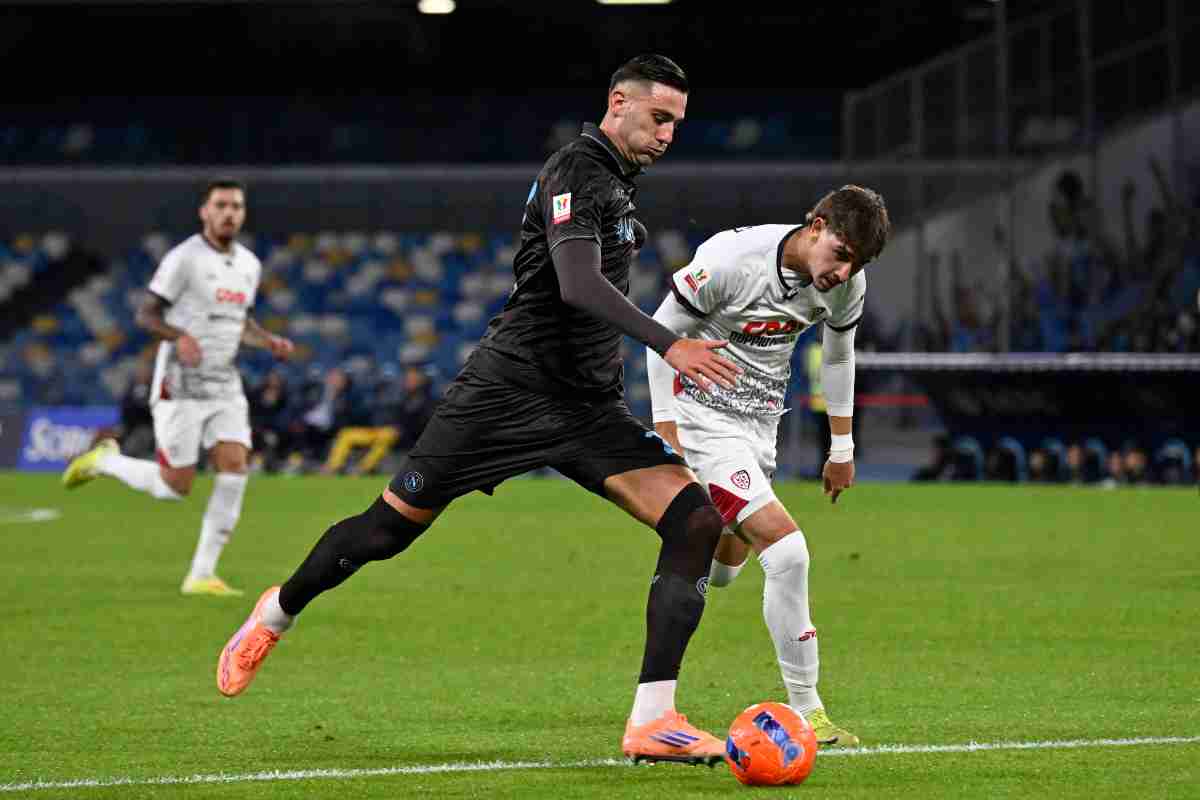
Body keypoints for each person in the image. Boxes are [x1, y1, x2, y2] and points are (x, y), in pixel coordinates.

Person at [216, 55, 744, 766]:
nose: (668, 134)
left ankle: (654, 719)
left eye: (677, 123)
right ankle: (276, 612)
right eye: (659, 118)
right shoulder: (578, 170)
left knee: (696, 520)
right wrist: (669, 345)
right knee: (383, 533)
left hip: (585, 407)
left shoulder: (615, 184)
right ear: (618, 103)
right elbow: (578, 284)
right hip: (506, 394)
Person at [646, 185, 891, 748]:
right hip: (702, 419)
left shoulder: (846, 284)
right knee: (786, 551)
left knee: (728, 568)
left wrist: (842, 448)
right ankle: (808, 711)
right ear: (816, 224)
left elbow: (838, 354)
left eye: (857, 262)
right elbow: (660, 335)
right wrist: (668, 434)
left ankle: (686, 543)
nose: (843, 270)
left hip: (759, 428)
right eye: (841, 251)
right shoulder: (733, 261)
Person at [62, 178, 295, 596]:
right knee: (176, 486)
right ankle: (106, 462)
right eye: (221, 205)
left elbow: (240, 321)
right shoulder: (184, 258)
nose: (229, 213)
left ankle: (201, 574)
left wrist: (268, 340)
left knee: (235, 464)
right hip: (181, 382)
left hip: (224, 381)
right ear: (204, 212)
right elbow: (146, 314)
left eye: (236, 207)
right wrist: (178, 336)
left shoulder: (249, 265)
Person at [321, 362, 438, 476]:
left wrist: (402, 429)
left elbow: (423, 424)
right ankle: (333, 466)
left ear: (421, 380)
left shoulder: (426, 399)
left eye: (413, 379)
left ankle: (363, 468)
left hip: (405, 435)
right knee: (346, 434)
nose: (410, 381)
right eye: (408, 378)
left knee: (388, 435)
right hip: (381, 430)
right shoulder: (399, 394)